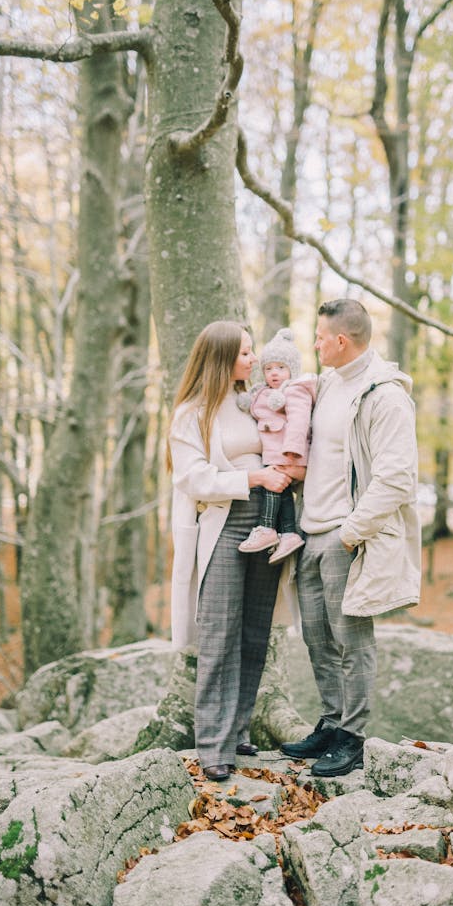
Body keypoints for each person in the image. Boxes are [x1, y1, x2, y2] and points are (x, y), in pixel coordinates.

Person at [280, 299, 421, 777]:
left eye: (320, 336)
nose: (315, 344)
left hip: (347, 536)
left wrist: (351, 531)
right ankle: (331, 723)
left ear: (341, 340)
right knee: (317, 638)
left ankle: (354, 738)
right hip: (310, 532)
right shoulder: (325, 386)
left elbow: (398, 476)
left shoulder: (384, 395)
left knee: (351, 639)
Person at [168, 320, 293, 782]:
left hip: (270, 524)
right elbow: (192, 478)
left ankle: (238, 728)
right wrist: (254, 478)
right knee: (219, 633)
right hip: (225, 523)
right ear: (221, 358)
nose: (254, 359)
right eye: (244, 352)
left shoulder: (253, 403)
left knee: (255, 631)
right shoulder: (192, 414)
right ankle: (212, 745)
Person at [238, 328, 315, 565]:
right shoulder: (265, 392)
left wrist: (292, 449)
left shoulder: (295, 391)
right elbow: (256, 407)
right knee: (279, 491)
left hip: (288, 453)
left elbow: (300, 420)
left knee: (272, 488)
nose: (274, 373)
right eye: (269, 369)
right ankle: (290, 533)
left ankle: (267, 526)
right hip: (276, 453)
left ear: (292, 369)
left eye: (280, 368)